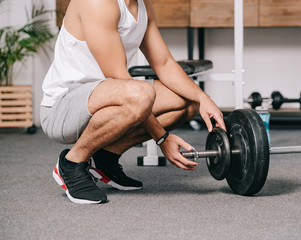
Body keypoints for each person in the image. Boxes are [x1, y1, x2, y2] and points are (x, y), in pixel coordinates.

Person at [40, 0, 225, 204]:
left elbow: (163, 63)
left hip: (106, 97)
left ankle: (105, 159)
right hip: (62, 107)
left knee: (187, 101)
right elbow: (118, 75)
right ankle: (72, 162)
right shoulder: (98, 2)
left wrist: (202, 97)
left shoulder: (143, 6)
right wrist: (162, 138)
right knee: (141, 94)